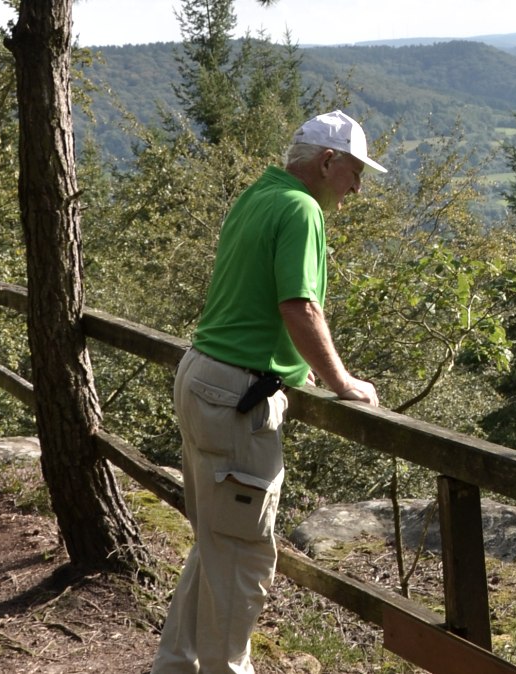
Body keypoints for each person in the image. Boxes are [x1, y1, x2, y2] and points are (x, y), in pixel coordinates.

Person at [152, 110, 385, 674]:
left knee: (217, 541)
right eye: (354, 172)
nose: (357, 188)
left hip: (204, 375)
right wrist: (342, 383)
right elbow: (299, 306)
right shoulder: (301, 208)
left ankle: (177, 666)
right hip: (239, 395)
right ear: (328, 162)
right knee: (242, 554)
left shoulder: (260, 193)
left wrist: (292, 370)